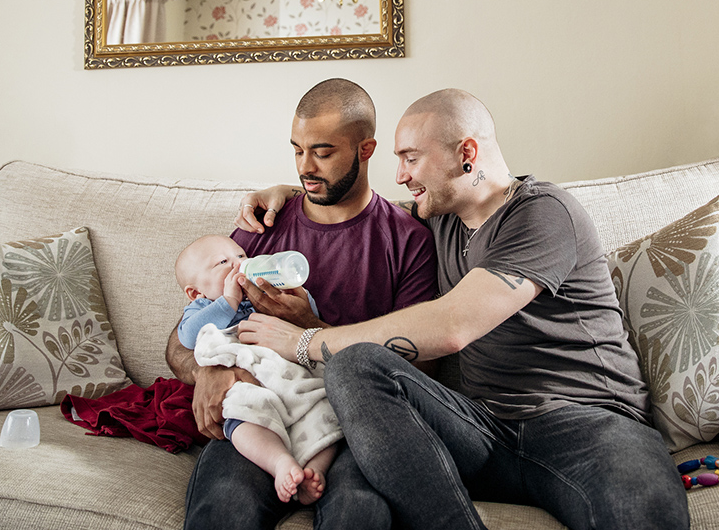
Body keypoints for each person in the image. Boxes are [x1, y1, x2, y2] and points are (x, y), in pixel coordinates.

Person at [234, 89, 691, 529]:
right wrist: (295, 193)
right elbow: (365, 210)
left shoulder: (544, 213)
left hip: (589, 425)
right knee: (354, 367)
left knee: (642, 512)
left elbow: (453, 326)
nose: (400, 176)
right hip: (484, 430)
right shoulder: (438, 217)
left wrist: (305, 341)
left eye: (411, 158)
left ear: (466, 153)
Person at [165, 78, 438, 530]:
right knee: (224, 508)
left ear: (365, 149)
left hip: (349, 425)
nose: (305, 168)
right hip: (259, 413)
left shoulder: (407, 242)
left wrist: (310, 328)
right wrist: (211, 371)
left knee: (359, 514)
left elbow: (418, 374)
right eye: (297, 150)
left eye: (323, 152)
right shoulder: (260, 228)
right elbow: (182, 340)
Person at [174, 234, 338, 505]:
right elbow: (189, 336)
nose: (239, 265)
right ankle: (279, 463)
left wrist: (298, 298)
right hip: (250, 383)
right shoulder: (202, 307)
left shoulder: (261, 293)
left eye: (240, 256)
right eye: (223, 262)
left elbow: (308, 321)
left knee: (325, 409)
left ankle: (315, 469)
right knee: (245, 414)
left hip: (290, 378)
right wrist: (228, 301)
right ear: (195, 292)